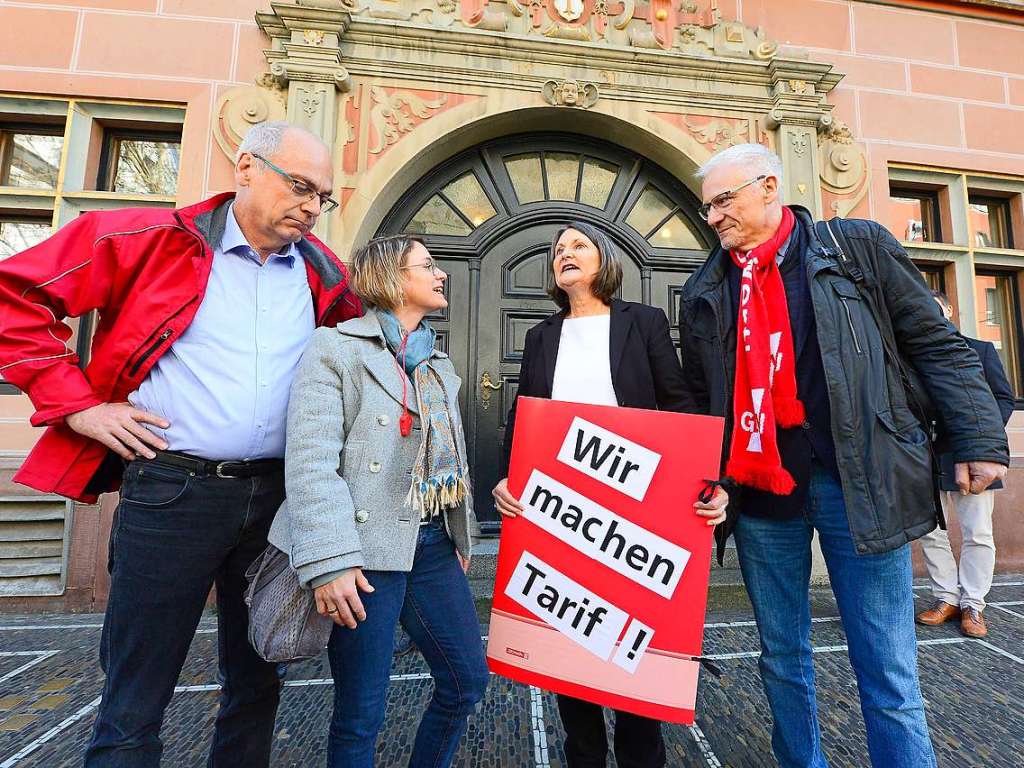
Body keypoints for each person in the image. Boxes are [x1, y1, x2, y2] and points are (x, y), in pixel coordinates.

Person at [0, 120, 361, 766]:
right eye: (301, 186)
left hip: (277, 503)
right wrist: (78, 406)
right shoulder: (147, 239)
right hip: (172, 493)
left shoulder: (323, 273)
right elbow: (12, 295)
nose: (311, 207)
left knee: (257, 685)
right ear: (246, 167)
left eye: (322, 197)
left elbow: (359, 365)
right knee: (135, 698)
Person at [676, 143, 1009, 768]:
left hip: (861, 484)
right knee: (781, 656)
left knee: (885, 659)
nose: (713, 217)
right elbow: (702, 400)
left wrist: (979, 438)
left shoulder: (852, 247)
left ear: (769, 186)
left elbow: (934, 342)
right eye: (707, 207)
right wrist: (711, 476)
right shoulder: (706, 287)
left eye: (724, 200)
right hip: (760, 492)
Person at [491, 221, 729, 768]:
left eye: (578, 246)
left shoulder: (641, 323)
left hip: (635, 515)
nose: (564, 254)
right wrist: (508, 476)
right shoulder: (540, 337)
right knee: (569, 646)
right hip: (560, 513)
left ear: (605, 262)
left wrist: (709, 479)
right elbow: (522, 415)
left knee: (633, 651)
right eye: (557, 250)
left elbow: (679, 403)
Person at [268, 235, 489, 768]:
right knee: (360, 713)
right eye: (428, 266)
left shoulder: (437, 363)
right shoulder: (334, 349)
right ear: (392, 280)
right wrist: (330, 563)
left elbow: (448, 457)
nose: (440, 275)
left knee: (466, 682)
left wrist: (460, 533)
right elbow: (311, 462)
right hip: (361, 555)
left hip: (431, 543)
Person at [916, 290, 1015, 638]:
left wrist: (980, 439)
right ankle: (947, 598)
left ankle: (973, 602)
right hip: (925, 457)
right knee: (931, 533)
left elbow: (1002, 397)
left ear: (949, 310)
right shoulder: (911, 354)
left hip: (970, 454)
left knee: (978, 532)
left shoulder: (980, 349)